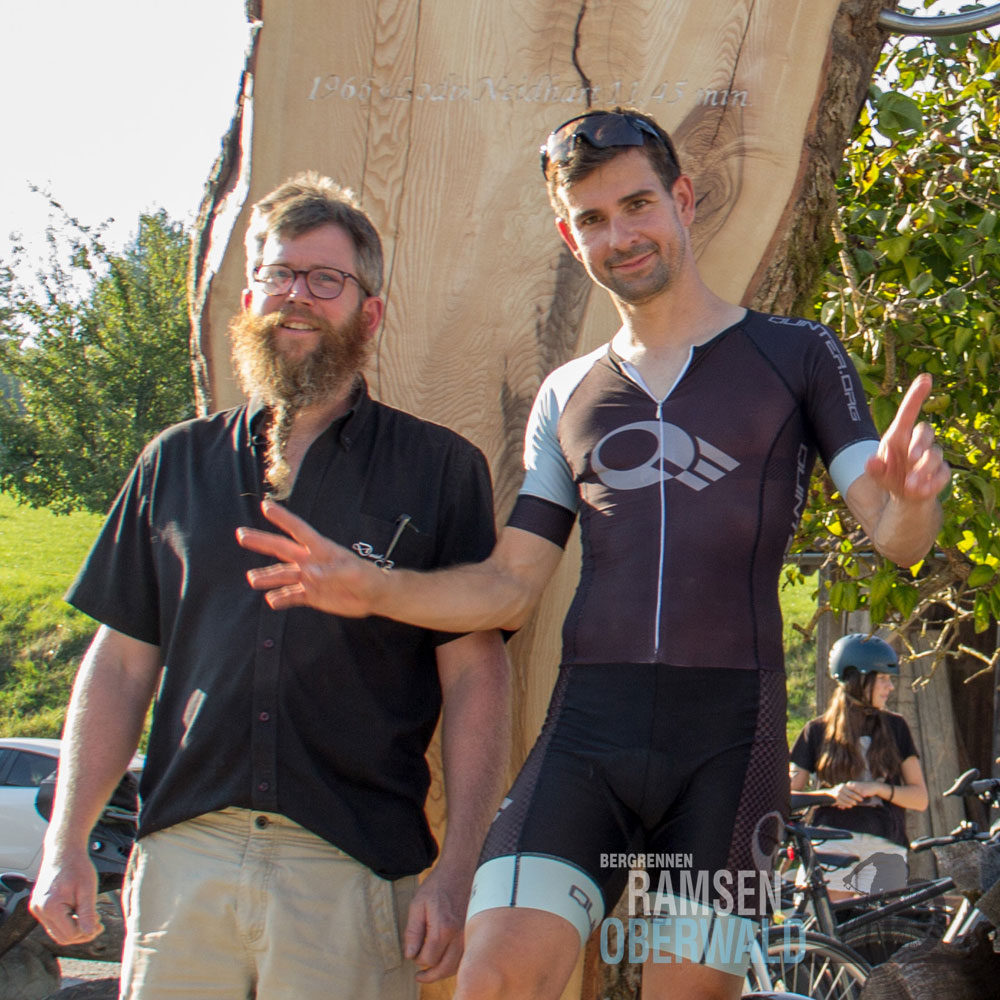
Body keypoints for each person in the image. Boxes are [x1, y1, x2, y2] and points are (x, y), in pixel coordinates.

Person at [236, 109, 951, 1000]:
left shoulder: (796, 356)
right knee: (494, 979)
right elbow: (510, 586)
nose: (621, 235)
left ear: (682, 199)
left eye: (638, 204)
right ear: (570, 237)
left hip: (729, 743)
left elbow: (894, 534)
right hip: (588, 735)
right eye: (594, 219)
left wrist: (914, 502)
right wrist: (370, 586)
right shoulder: (568, 393)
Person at [29, 172, 511, 1000]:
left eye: (326, 280)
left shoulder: (438, 470)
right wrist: (65, 841)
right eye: (281, 274)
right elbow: (118, 665)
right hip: (185, 860)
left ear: (370, 312)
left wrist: (461, 867)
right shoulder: (175, 462)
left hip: (350, 867)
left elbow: (476, 674)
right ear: (249, 296)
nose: (298, 296)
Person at [790, 633, 928, 898]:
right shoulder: (816, 731)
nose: (890, 687)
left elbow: (920, 799)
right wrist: (829, 795)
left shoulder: (897, 727)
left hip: (885, 845)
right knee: (816, 923)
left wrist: (877, 788)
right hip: (831, 842)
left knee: (885, 926)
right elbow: (787, 797)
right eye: (883, 678)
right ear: (858, 679)